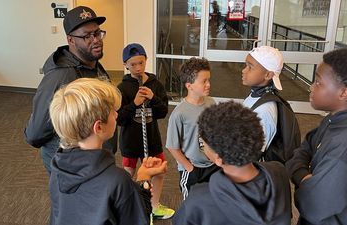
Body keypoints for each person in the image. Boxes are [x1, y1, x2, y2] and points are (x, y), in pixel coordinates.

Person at [48, 78, 168, 225]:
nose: (117, 115)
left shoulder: (57, 167)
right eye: (112, 112)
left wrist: (141, 177)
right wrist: (143, 181)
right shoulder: (118, 180)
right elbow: (138, 218)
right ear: (98, 127)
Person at [24, 6, 117, 174]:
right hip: (75, 168)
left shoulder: (93, 65)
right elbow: (35, 134)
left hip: (95, 159)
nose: (96, 40)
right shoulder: (61, 77)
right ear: (71, 40)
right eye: (87, 36)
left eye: (97, 33)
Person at [173, 101, 291, 225]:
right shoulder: (278, 172)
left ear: (219, 158)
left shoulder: (198, 200)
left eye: (203, 144)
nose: (202, 148)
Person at [286, 48, 347, 225]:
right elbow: (302, 151)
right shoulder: (332, 120)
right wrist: (306, 177)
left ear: (343, 92)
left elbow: (314, 204)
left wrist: (299, 176)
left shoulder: (342, 147)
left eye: (318, 83)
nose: (311, 87)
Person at [116, 43, 174, 220]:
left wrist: (153, 98)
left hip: (152, 138)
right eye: (133, 64)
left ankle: (154, 205)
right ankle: (127, 208)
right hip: (130, 140)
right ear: (125, 64)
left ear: (146, 60)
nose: (138, 68)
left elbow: (162, 112)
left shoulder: (155, 84)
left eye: (141, 63)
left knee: (160, 171)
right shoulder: (122, 88)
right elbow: (119, 119)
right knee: (128, 175)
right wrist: (134, 104)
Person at [166, 57, 219, 200]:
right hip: (192, 169)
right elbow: (172, 146)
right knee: (192, 207)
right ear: (189, 86)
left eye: (209, 80)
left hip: (213, 165)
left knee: (213, 202)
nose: (208, 84)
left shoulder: (211, 103)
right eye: (204, 81)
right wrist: (189, 168)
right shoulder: (179, 113)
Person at [242, 46, 284, 152]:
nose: (244, 70)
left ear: (268, 75)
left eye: (250, 67)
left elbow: (253, 153)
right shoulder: (256, 96)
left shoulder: (264, 110)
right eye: (245, 65)